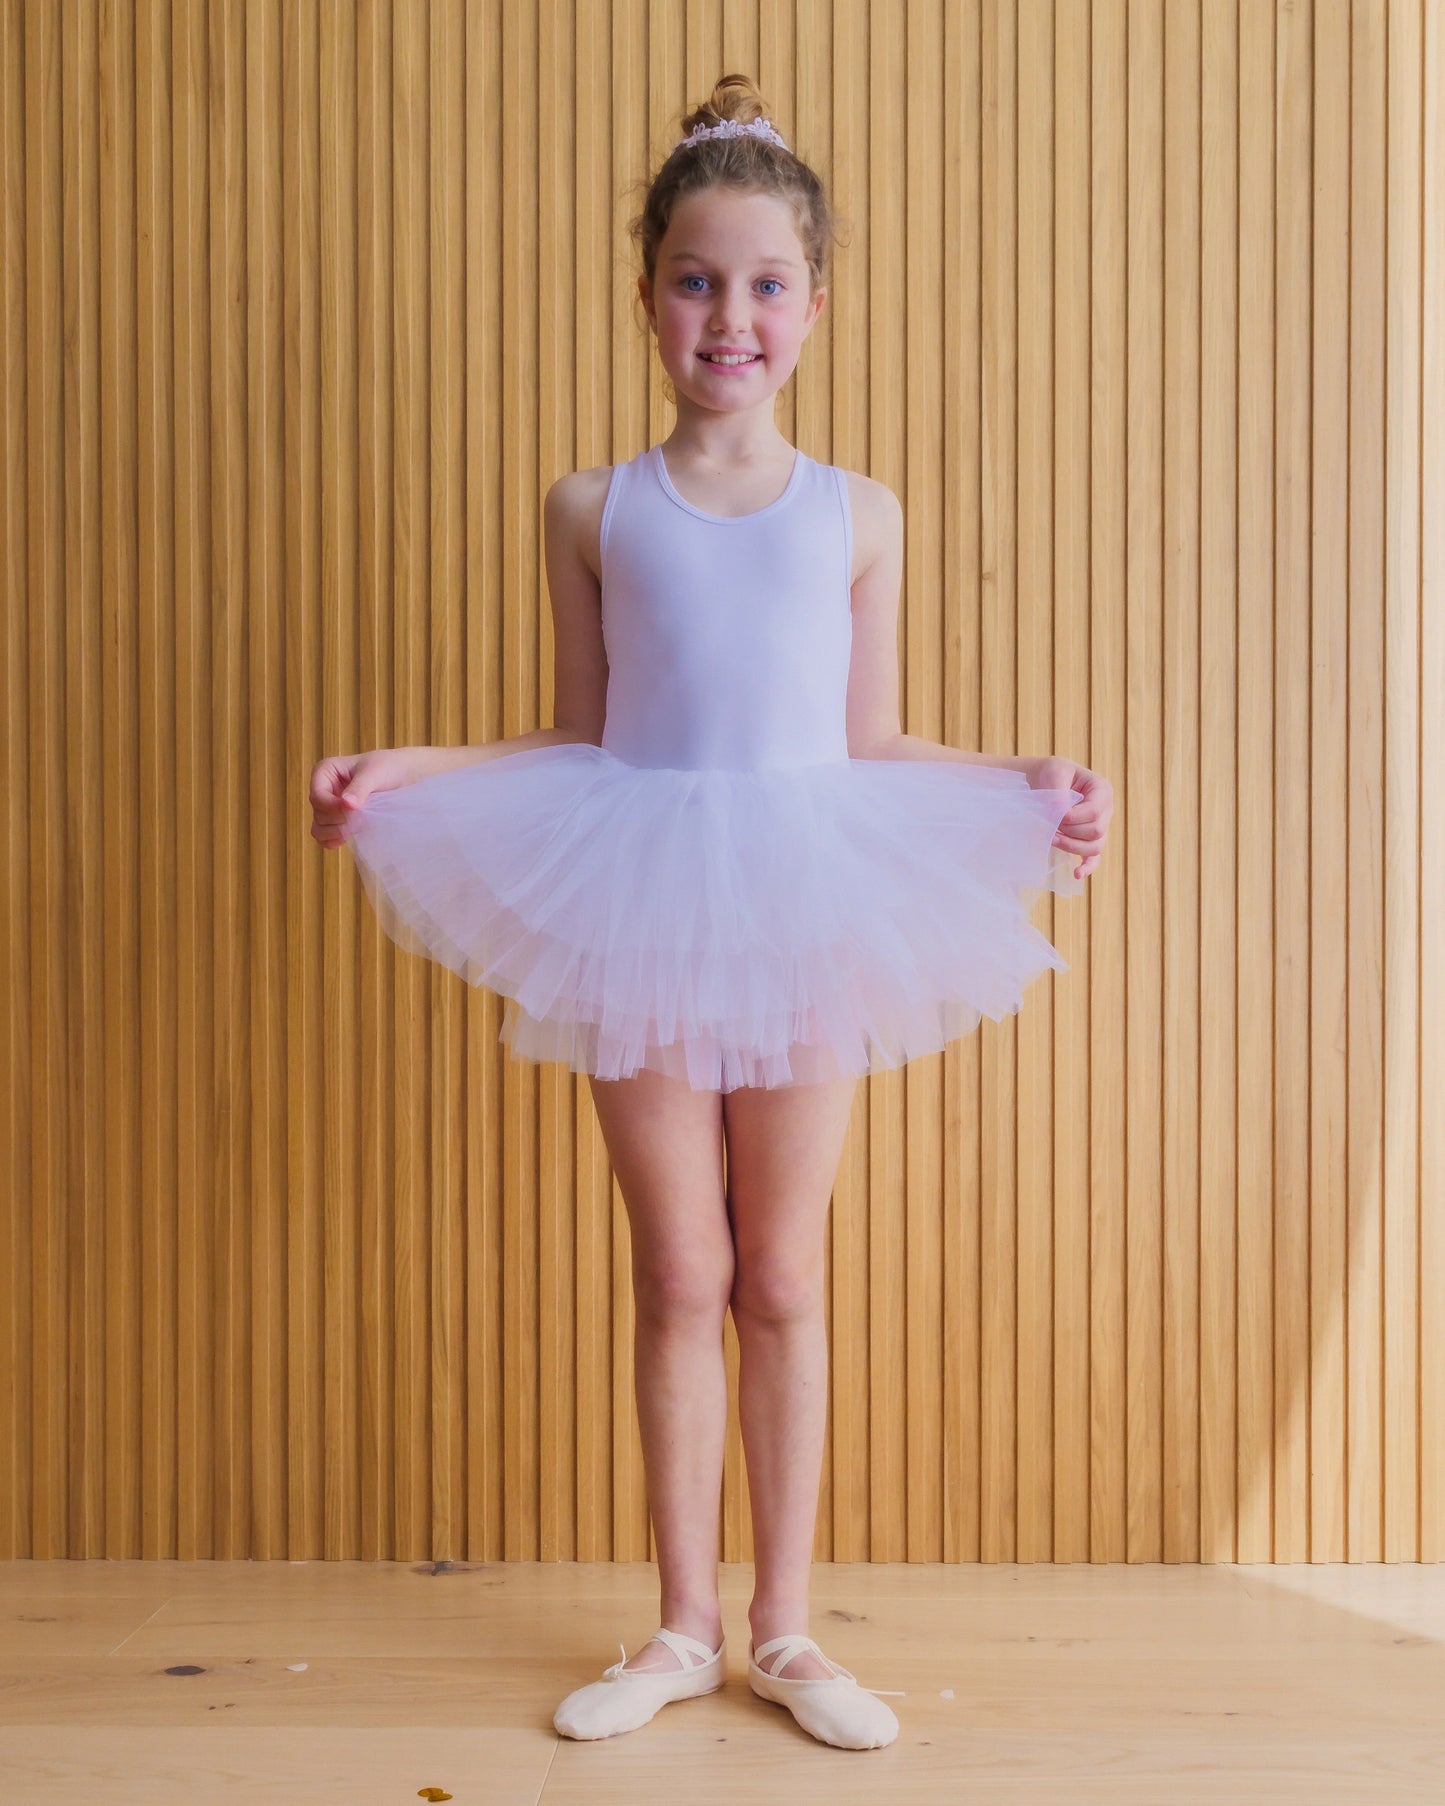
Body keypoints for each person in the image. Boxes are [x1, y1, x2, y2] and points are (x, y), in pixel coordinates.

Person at [308, 75, 1113, 1752]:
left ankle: (786, 1627)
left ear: (812, 306)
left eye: (761, 284)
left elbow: (870, 739)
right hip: (644, 891)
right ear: (645, 297)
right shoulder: (592, 506)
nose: (727, 315)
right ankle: (680, 1623)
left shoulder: (856, 512)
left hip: (809, 893)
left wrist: (1018, 777)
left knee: (782, 1271)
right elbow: (580, 727)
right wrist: (417, 767)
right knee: (680, 1264)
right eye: (693, 280)